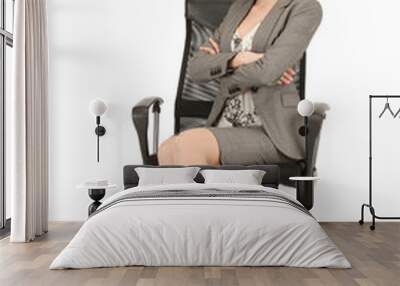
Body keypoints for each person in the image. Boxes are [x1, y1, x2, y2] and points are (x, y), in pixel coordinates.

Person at [158, 0, 322, 166]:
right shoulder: (240, 6)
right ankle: (211, 192)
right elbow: (195, 68)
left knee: (190, 145)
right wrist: (236, 59)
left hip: (272, 131)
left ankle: (208, 192)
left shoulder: (304, 7)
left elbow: (266, 72)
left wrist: (222, 72)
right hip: (225, 121)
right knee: (167, 150)